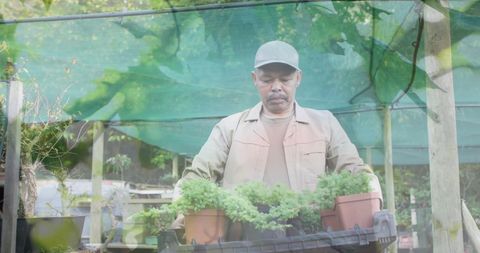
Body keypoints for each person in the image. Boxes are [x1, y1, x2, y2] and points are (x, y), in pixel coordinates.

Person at [174, 40, 381, 196]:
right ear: (254, 79)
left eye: (285, 79)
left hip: (310, 238)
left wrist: (371, 192)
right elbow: (198, 176)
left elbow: (353, 171)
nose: (276, 87)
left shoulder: (324, 124)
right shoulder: (229, 128)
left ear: (298, 78)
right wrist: (184, 204)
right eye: (267, 79)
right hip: (243, 242)